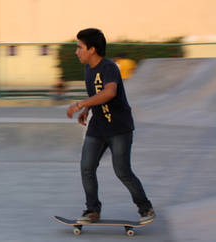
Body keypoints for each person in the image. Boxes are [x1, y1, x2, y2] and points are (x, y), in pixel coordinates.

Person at [66, 28, 155, 224]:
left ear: (92, 49)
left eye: (79, 47)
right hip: (97, 128)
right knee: (86, 167)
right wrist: (87, 111)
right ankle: (92, 211)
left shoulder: (109, 67)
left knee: (122, 170)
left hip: (119, 128)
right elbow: (95, 94)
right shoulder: (88, 69)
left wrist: (80, 104)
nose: (76, 51)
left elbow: (109, 92)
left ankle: (145, 208)